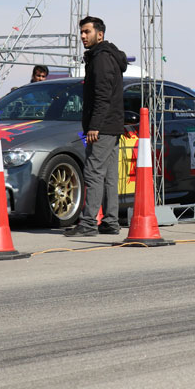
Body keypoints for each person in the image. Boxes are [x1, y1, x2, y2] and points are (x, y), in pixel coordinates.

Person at [65, 16, 128, 237]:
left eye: (87, 32)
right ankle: (110, 222)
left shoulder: (101, 59)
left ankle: (88, 223)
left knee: (92, 173)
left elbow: (102, 97)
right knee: (109, 176)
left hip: (102, 127)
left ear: (99, 34)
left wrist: (94, 126)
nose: (83, 36)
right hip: (111, 125)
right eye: (81, 32)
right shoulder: (106, 57)